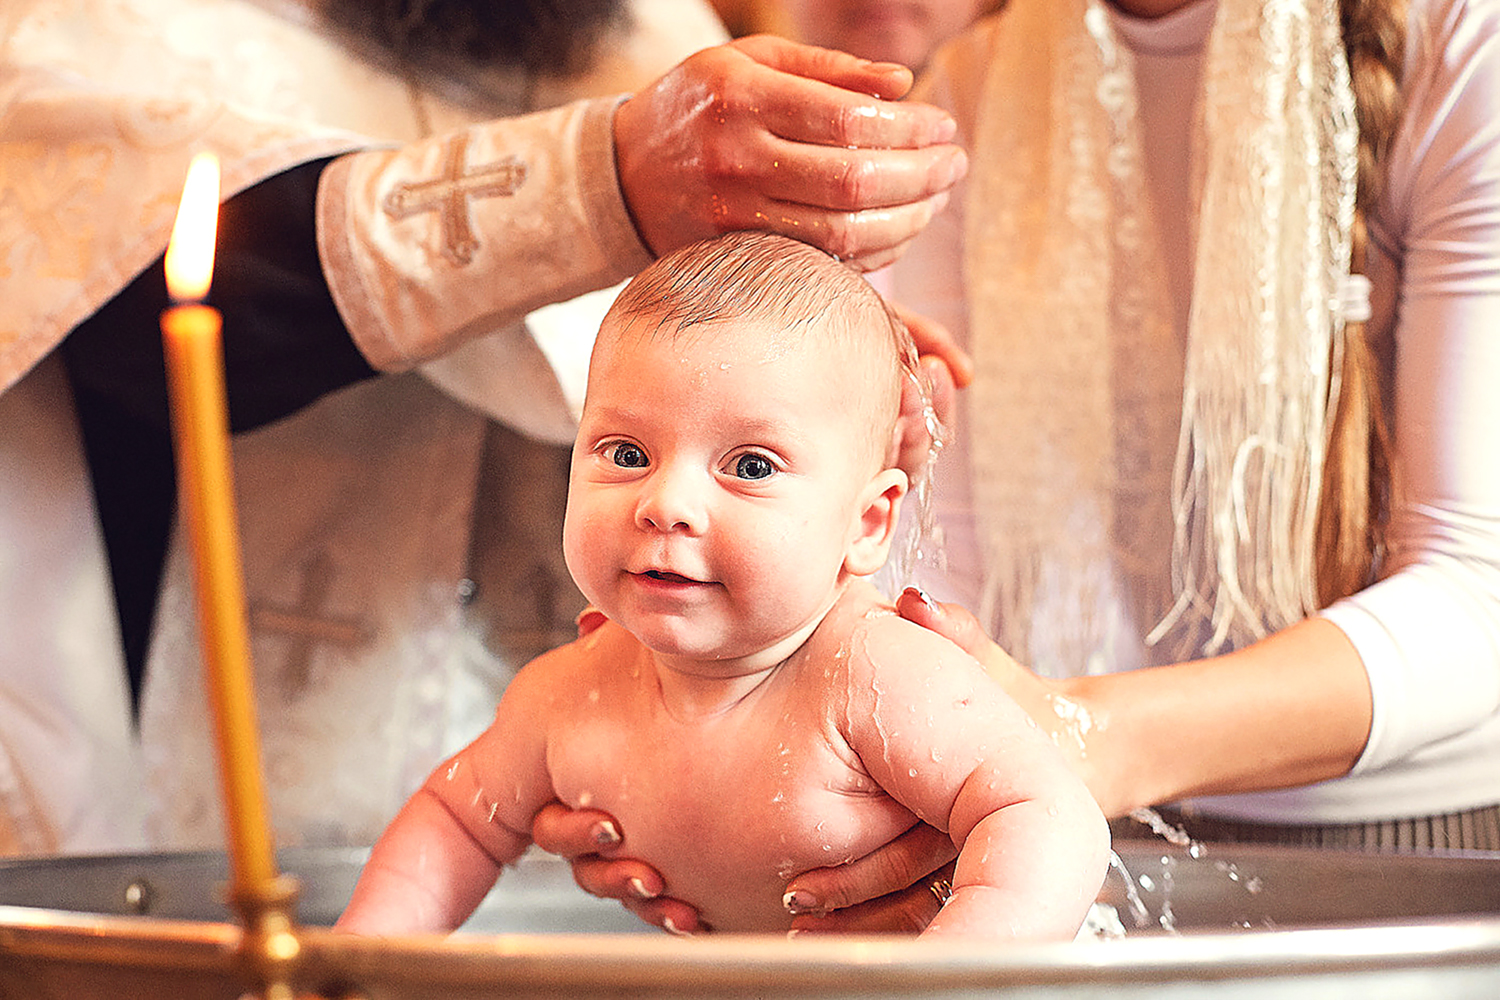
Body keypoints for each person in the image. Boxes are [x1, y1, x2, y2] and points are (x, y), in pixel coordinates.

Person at [533, 0, 1500, 934]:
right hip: (1019, 829)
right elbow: (920, 576)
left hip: (1406, 837)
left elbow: (1479, 589)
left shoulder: (1466, 49)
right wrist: (700, 758)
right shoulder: (973, 90)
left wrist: (1075, 740)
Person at [0, 0, 968, 858]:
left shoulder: (645, 30)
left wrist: (829, 373)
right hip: (185, 749)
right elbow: (141, 305)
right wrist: (604, 181)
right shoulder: (106, 22)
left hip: (587, 799)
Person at [333, 231, 1109, 940]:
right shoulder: (567, 694)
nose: (664, 503)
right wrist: (350, 972)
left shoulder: (873, 675)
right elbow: (456, 821)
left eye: (749, 466)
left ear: (868, 524)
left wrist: (943, 985)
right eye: (626, 452)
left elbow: (1048, 814)